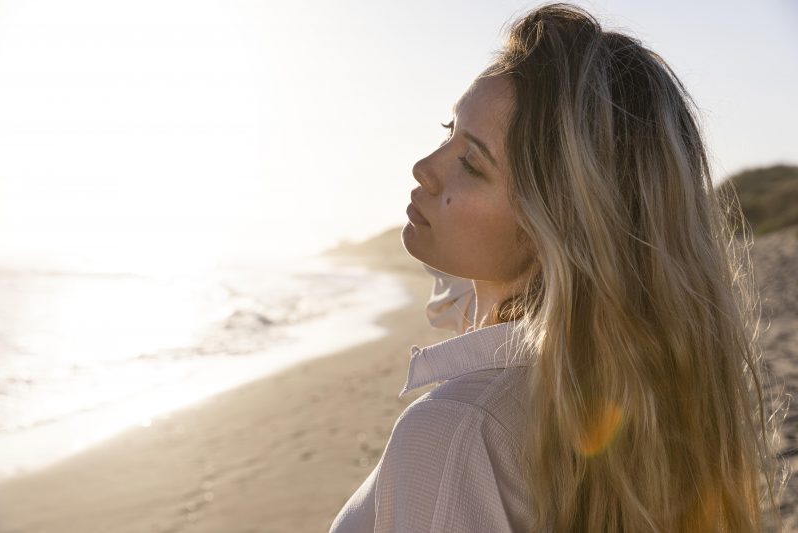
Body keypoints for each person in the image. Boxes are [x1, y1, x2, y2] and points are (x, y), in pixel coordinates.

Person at [330, 3, 788, 531]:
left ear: (558, 226)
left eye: (472, 164)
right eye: (447, 130)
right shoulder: (628, 395)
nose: (424, 168)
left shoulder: (457, 429)